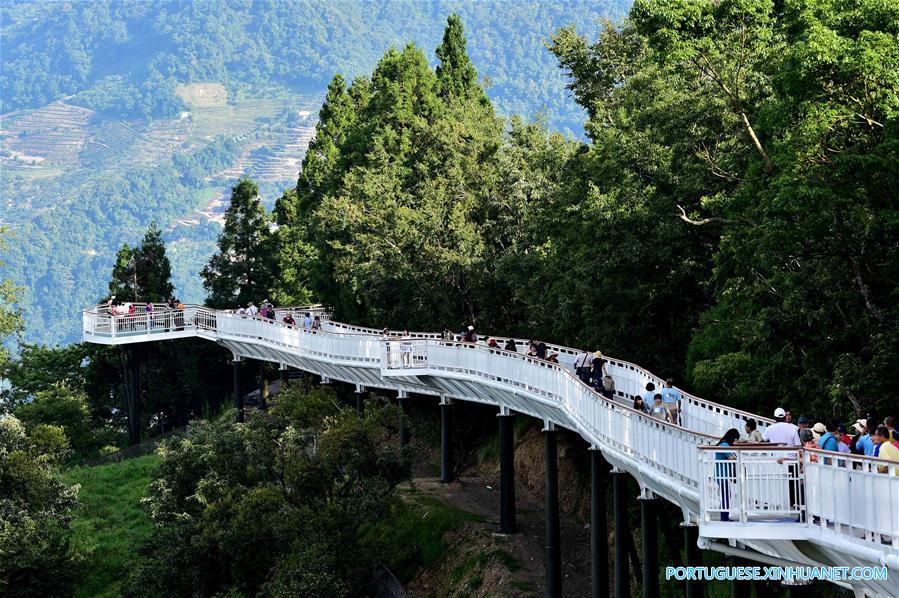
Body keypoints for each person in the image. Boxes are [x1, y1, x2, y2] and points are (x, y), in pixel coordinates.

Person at [714, 428, 741, 521]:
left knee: (726, 495)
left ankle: (724, 516)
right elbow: (732, 458)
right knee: (725, 496)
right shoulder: (724, 445)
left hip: (722, 475)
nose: (735, 441)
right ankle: (724, 518)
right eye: (735, 439)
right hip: (722, 476)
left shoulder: (724, 444)